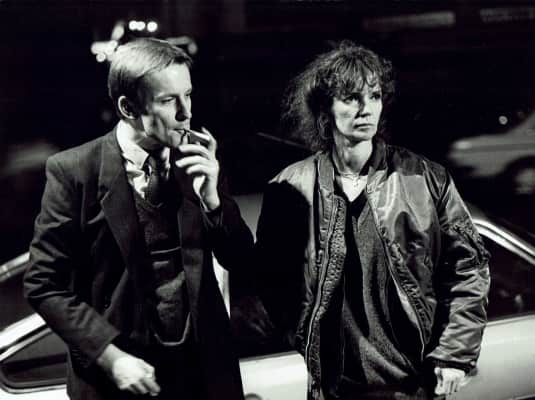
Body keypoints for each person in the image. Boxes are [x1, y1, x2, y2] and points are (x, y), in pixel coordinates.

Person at [254, 41, 491, 400]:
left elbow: (469, 268)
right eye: (352, 98)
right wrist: (302, 335)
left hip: (413, 387)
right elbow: (269, 279)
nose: (366, 109)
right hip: (335, 391)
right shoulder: (291, 186)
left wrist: (454, 355)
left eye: (374, 96)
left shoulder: (424, 179)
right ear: (325, 108)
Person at [24, 38, 253, 400]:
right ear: (128, 107)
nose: (186, 113)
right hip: (119, 381)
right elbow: (43, 284)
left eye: (188, 95)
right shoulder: (75, 171)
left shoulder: (199, 159)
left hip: (202, 378)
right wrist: (109, 356)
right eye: (168, 100)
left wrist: (212, 202)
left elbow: (241, 260)